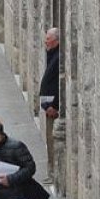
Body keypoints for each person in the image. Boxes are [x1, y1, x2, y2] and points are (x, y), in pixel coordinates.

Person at [38, 28, 60, 183]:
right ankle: (51, 172)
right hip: (48, 106)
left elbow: (59, 83)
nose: (45, 41)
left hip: (52, 108)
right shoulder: (52, 54)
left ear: (56, 41)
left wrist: (55, 105)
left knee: (53, 141)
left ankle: (54, 174)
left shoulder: (58, 57)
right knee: (49, 140)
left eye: (48, 39)